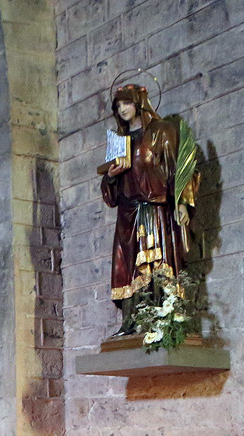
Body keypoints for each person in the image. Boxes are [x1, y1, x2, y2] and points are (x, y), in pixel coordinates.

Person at [99, 84, 198, 336]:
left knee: (157, 262)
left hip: (156, 209)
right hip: (127, 214)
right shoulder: (118, 141)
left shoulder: (161, 132)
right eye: (118, 105)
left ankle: (163, 319)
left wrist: (183, 202)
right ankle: (132, 322)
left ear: (139, 102)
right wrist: (111, 177)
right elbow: (110, 196)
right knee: (129, 267)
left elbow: (180, 169)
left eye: (127, 103)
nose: (122, 109)